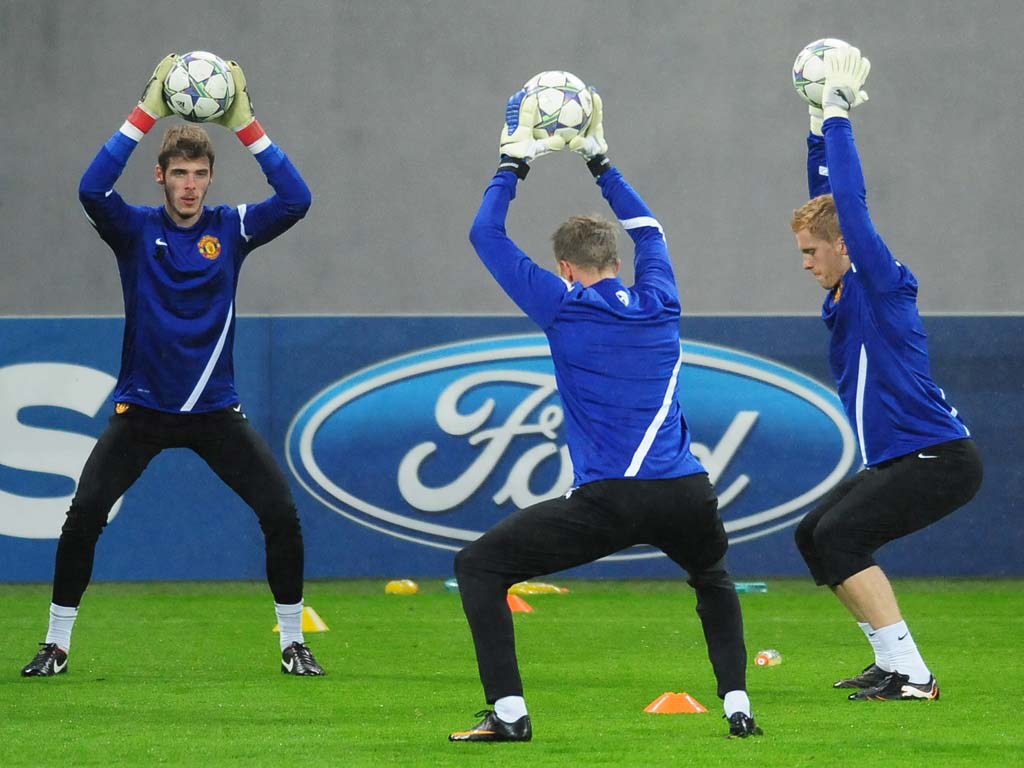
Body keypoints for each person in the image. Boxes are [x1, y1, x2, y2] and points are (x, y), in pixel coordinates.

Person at [448, 88, 762, 742]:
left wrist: (514, 162)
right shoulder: (660, 299)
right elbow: (653, 231)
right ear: (617, 263)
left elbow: (484, 233)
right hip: (684, 492)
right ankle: (737, 706)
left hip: (611, 500)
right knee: (711, 577)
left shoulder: (562, 305)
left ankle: (509, 716)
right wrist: (600, 160)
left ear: (565, 268)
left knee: (479, 567)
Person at [20, 54, 324, 678]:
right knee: (82, 519)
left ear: (211, 179)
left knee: (281, 517)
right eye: (179, 172)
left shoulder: (232, 228)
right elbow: (89, 190)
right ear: (159, 177)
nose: (190, 184)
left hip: (216, 413)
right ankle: (56, 644)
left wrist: (246, 123)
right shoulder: (133, 230)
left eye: (199, 173)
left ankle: (293, 641)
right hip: (143, 413)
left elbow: (296, 198)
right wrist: (145, 112)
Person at [790, 46, 982, 701]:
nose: (805, 261)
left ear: (845, 248)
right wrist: (816, 125)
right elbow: (826, 199)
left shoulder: (878, 282)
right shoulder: (843, 287)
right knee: (815, 536)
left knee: (843, 535)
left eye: (811, 252)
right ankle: (890, 662)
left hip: (939, 458)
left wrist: (839, 115)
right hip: (903, 460)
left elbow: (848, 200)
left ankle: (916, 674)